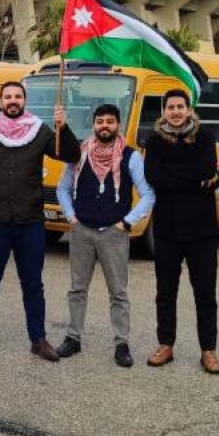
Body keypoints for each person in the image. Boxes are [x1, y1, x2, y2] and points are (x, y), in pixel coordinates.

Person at [0, 81, 79, 361]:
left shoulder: (38, 130)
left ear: (25, 100)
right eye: (8, 96)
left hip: (30, 219)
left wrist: (63, 127)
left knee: (33, 284)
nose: (13, 100)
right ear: (0, 101)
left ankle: (38, 340)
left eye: (18, 96)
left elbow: (70, 155)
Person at [54, 103, 155, 367]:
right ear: (94, 125)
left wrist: (127, 222)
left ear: (118, 125)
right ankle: (73, 338)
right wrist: (71, 217)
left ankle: (121, 343)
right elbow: (62, 188)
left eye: (110, 121)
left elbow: (148, 195)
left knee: (118, 292)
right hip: (82, 230)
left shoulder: (131, 157)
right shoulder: (79, 153)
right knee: (77, 289)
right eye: (100, 122)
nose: (104, 126)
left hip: (114, 232)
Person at [143, 88, 219, 374]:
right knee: (165, 292)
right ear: (163, 111)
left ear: (189, 110)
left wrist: (174, 173)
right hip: (167, 230)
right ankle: (166, 345)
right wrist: (193, 179)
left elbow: (207, 169)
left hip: (202, 230)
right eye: (170, 107)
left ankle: (208, 350)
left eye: (180, 106)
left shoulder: (206, 136)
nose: (176, 111)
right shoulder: (154, 140)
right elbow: (153, 176)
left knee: (205, 292)